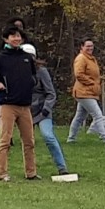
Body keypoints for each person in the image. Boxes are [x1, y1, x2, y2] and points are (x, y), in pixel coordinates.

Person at [0, 28, 38, 182]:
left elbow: (33, 75)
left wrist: (32, 83)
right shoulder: (1, 58)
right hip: (8, 105)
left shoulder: (27, 58)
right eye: (13, 36)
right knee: (5, 140)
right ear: (6, 39)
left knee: (29, 141)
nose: (16, 38)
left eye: (18, 36)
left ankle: (31, 172)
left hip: (25, 105)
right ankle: (2, 173)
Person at [26, 45, 70, 176]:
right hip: (27, 111)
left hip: (42, 110)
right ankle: (30, 171)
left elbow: (51, 93)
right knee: (28, 142)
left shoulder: (42, 71)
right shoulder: (19, 72)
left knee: (48, 137)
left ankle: (62, 167)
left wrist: (46, 108)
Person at [69, 39, 105, 142]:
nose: (90, 48)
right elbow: (79, 74)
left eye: (91, 46)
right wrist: (91, 82)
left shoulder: (91, 59)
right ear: (82, 47)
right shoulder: (81, 58)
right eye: (87, 46)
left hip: (89, 92)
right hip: (83, 92)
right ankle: (104, 137)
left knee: (79, 117)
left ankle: (71, 138)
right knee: (98, 115)